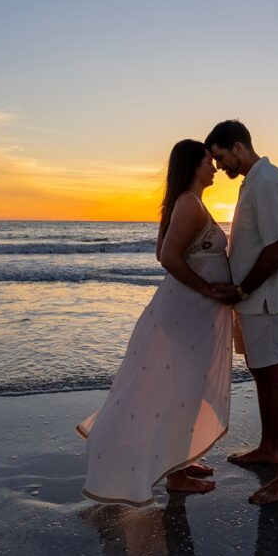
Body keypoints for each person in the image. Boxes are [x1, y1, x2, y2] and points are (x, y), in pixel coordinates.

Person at [77, 140, 233, 506]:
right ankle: (176, 476)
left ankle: (179, 461)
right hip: (185, 312)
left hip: (189, 313)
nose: (213, 167)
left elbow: (164, 250)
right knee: (178, 388)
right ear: (194, 165)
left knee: (185, 388)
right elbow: (167, 257)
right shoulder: (189, 205)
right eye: (209, 161)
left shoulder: (188, 203)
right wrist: (208, 288)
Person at [205, 119, 278, 504]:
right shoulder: (252, 181)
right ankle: (269, 448)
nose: (219, 167)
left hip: (263, 300)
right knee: (261, 377)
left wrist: (244, 287)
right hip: (251, 301)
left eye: (221, 157)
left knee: (274, 380)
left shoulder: (268, 181)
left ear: (238, 147)